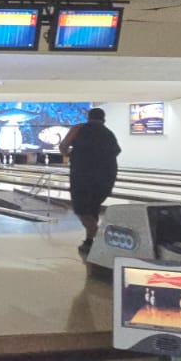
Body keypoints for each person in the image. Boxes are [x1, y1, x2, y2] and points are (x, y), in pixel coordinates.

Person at [59, 107, 121, 255]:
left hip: (83, 174)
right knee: (93, 208)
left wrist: (72, 154)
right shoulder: (108, 133)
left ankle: (99, 237)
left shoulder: (78, 128)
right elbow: (117, 151)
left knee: (81, 209)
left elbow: (63, 147)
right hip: (107, 175)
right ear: (103, 119)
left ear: (88, 117)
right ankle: (89, 241)